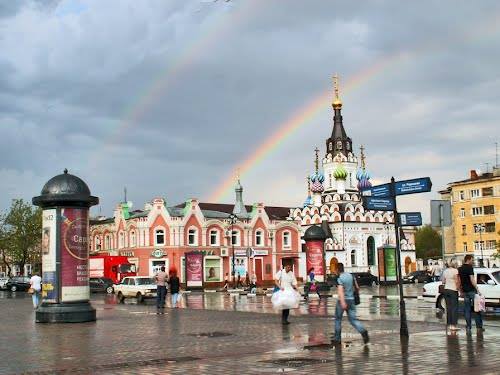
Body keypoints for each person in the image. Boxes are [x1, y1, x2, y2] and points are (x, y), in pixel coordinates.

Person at [332, 262, 369, 345]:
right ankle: (363, 331)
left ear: (337, 269)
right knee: (353, 320)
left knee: (338, 319)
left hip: (343, 301)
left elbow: (340, 291)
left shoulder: (340, 278)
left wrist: (342, 302)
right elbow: (357, 288)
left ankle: (337, 339)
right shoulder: (351, 276)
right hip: (352, 300)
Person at [458, 255, 483, 333]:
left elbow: (459, 281)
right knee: (477, 308)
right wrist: (477, 289)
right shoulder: (469, 268)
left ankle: (468, 327)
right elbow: (472, 279)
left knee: (467, 309)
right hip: (471, 290)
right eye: (472, 260)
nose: (473, 261)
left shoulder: (460, 269)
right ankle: (479, 327)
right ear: (468, 260)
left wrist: (460, 290)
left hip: (465, 291)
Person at [442, 259, 460, 332]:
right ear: (454, 264)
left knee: (448, 308)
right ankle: (454, 325)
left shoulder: (445, 271)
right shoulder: (455, 271)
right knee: (454, 308)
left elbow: (443, 281)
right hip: (453, 290)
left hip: (446, 290)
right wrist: (458, 289)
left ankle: (449, 324)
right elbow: (456, 281)